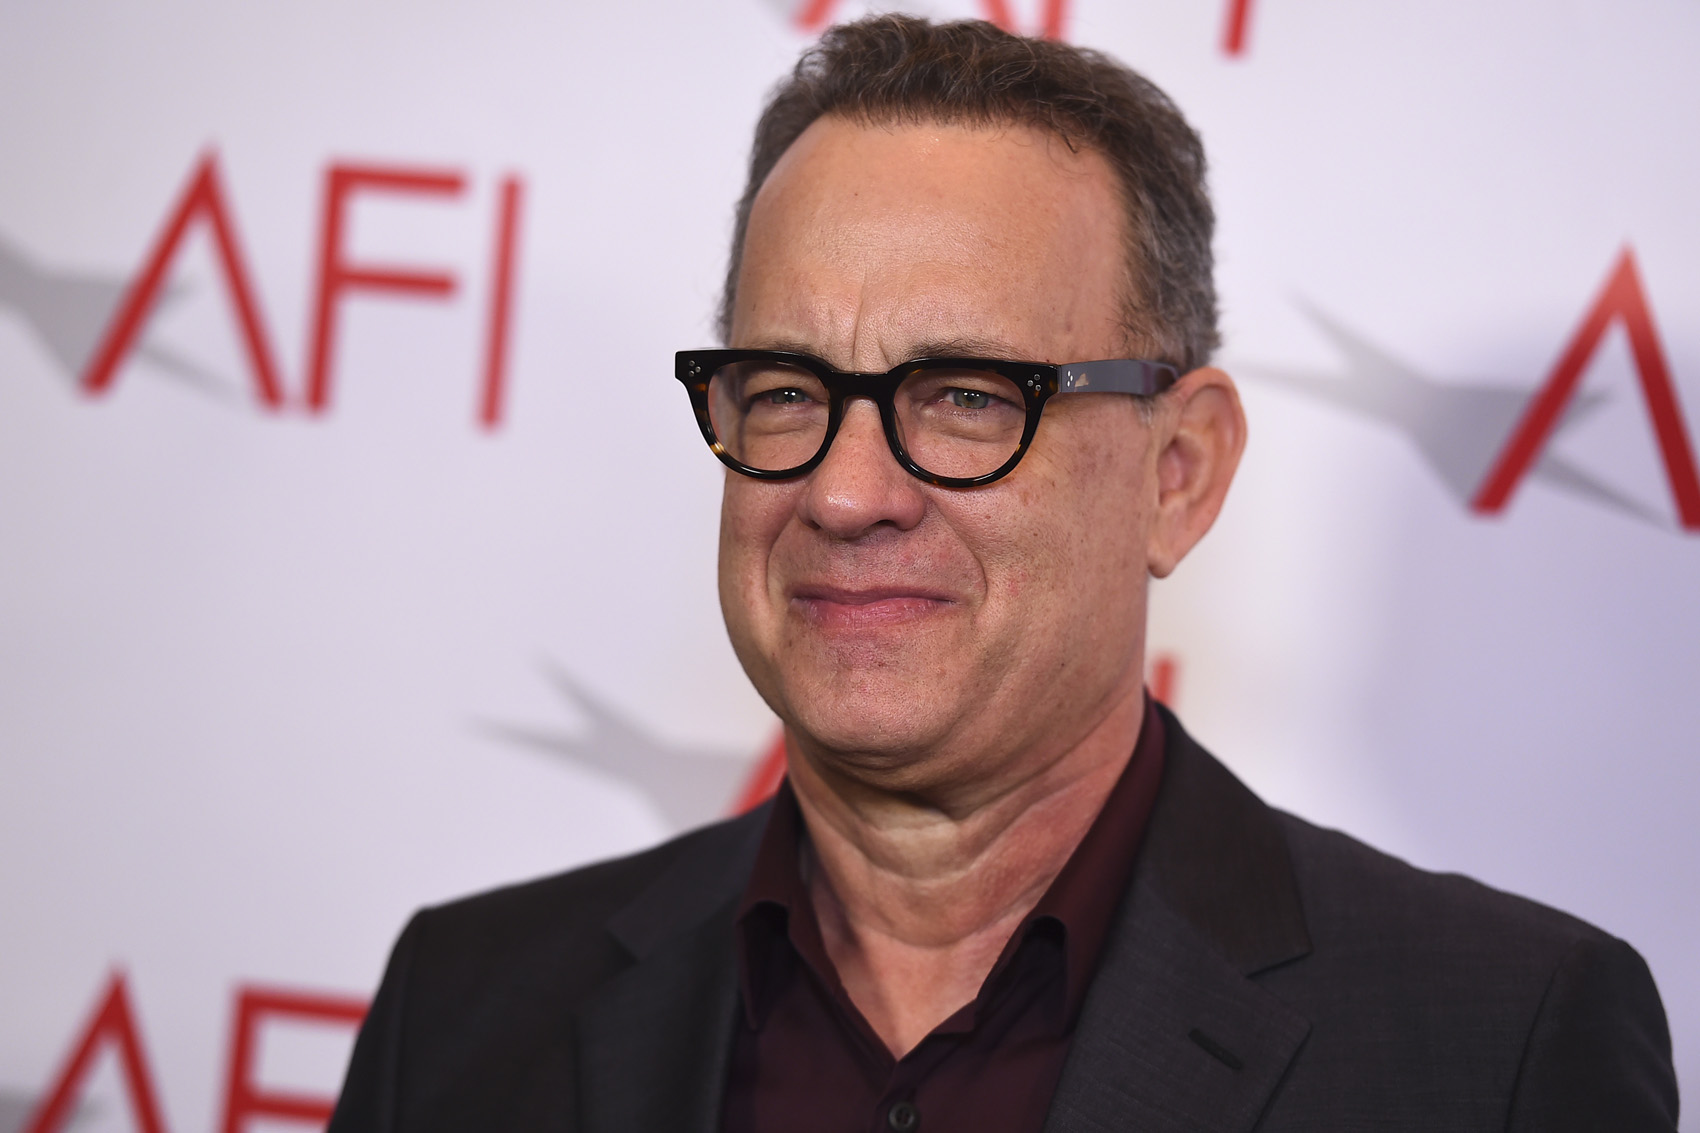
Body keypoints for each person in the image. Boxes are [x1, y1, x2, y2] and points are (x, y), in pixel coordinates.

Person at [327, 16, 1678, 1132]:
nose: (845, 494)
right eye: (788, 390)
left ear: (1177, 473)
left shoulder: (1498, 1049)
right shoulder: (465, 1012)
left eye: (969, 396)